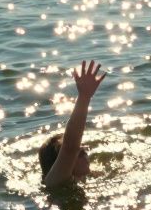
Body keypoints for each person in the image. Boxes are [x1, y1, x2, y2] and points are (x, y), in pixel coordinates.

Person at [39, 60, 107, 188]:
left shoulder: (87, 178)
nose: (84, 150)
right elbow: (70, 147)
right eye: (79, 153)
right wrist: (84, 97)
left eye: (81, 150)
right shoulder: (54, 181)